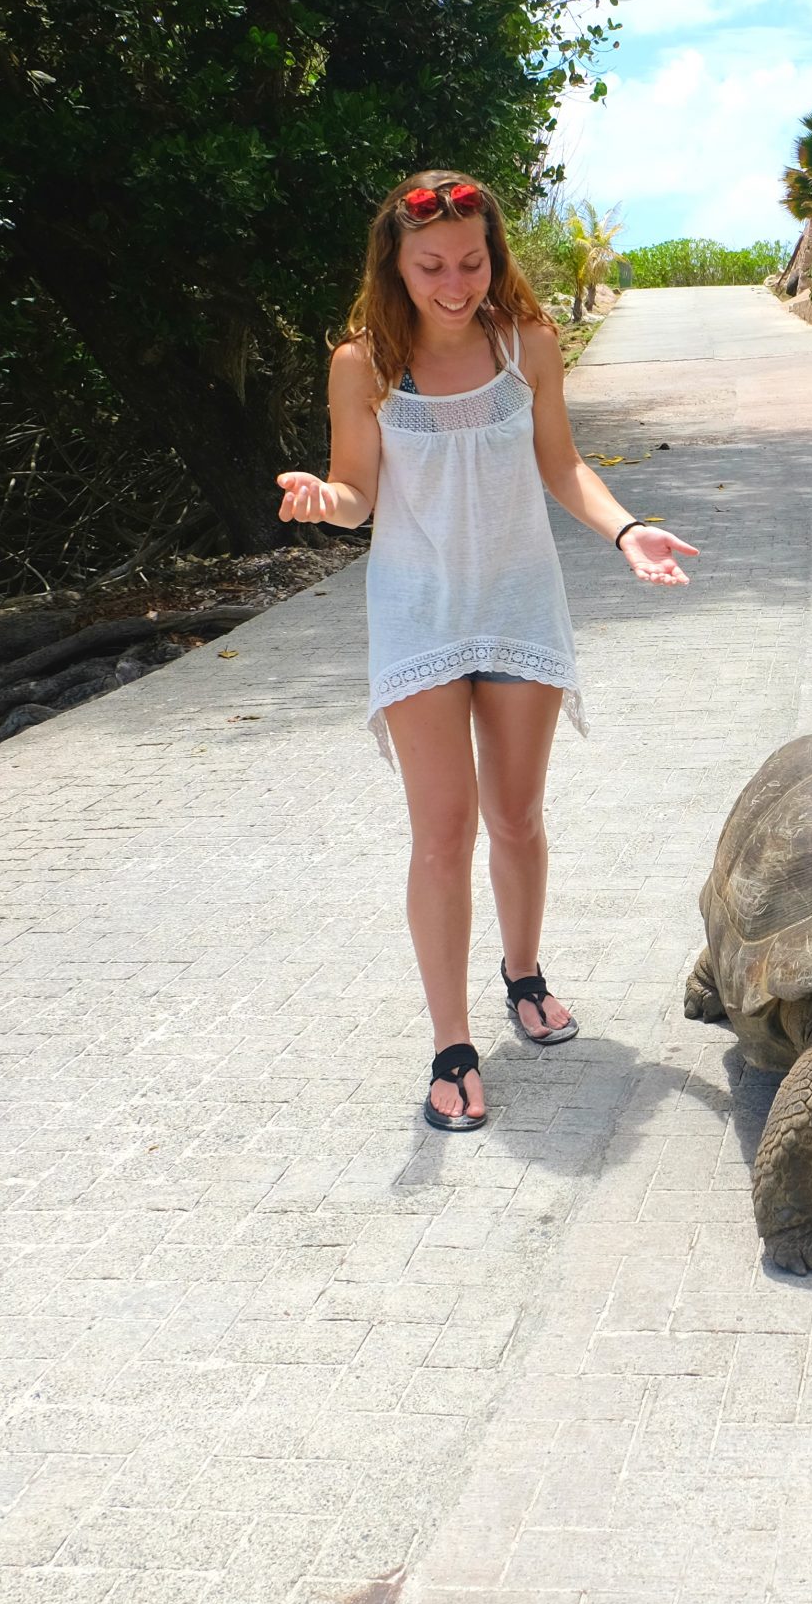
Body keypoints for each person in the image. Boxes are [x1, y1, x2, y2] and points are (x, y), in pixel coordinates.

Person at [275, 170, 696, 1133]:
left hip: (518, 607)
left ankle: (525, 971)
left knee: (516, 816)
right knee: (442, 833)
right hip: (419, 614)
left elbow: (563, 464)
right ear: (396, 263)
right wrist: (320, 502)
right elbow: (358, 493)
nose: (455, 282)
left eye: (472, 261)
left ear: (494, 256)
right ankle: (451, 1043)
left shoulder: (530, 347)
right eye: (432, 266)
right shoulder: (364, 364)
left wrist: (629, 533)